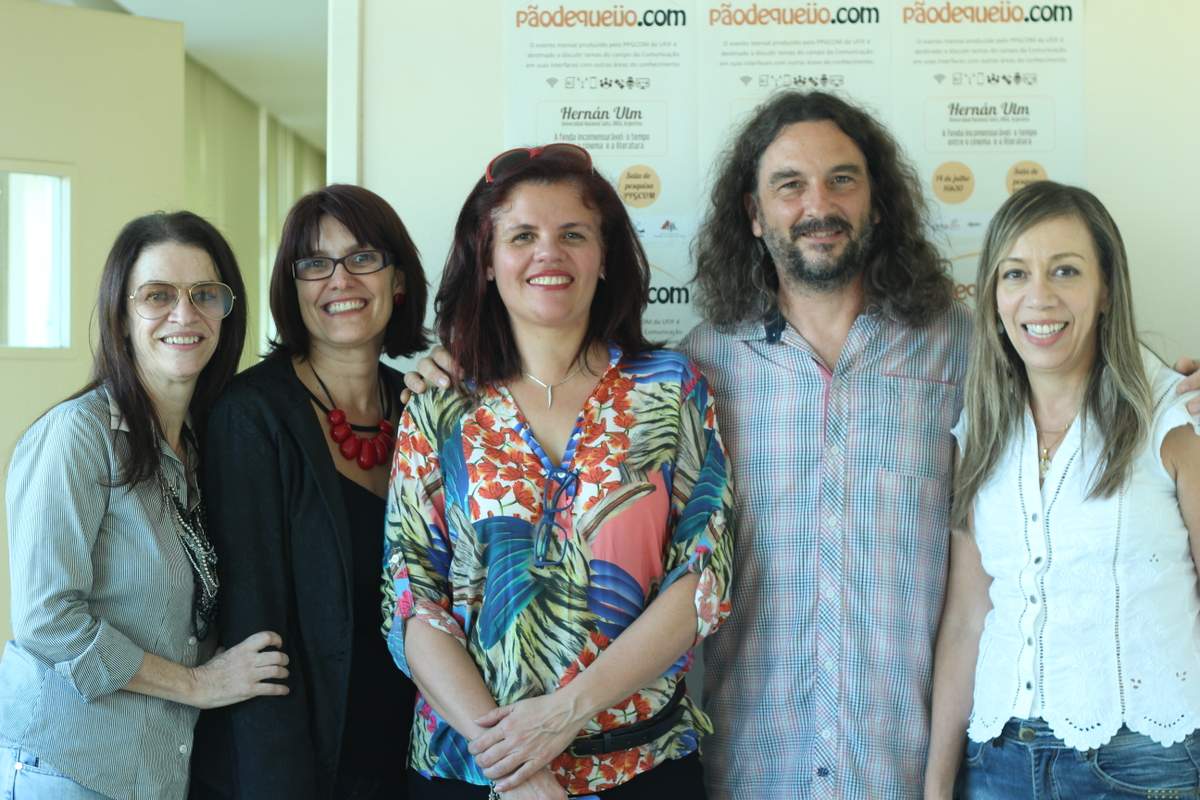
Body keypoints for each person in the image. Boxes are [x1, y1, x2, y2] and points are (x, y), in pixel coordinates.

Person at [406, 92, 1200, 800]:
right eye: (789, 185)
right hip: (751, 766)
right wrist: (452, 366)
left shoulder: (964, 351)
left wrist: (1178, 387)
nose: (818, 204)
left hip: (912, 765)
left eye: (841, 180)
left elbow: (1077, 379)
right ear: (753, 214)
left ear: (878, 204)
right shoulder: (700, 368)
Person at [385, 143, 733, 800]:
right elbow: (411, 600)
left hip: (640, 767)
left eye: (573, 234)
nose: (549, 253)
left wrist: (562, 716)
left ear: (605, 258)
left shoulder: (672, 389)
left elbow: (702, 578)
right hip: (471, 772)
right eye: (522, 236)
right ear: (487, 262)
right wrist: (511, 762)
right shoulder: (439, 405)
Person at [924, 182, 1200, 797]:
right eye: (1015, 274)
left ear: (1107, 290)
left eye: (1066, 270)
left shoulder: (1175, 416)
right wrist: (937, 786)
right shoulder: (980, 431)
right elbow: (967, 620)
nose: (1039, 296)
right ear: (993, 297)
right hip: (996, 765)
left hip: (1142, 766)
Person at [0, 212, 288, 800]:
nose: (185, 314)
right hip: (66, 769)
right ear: (121, 315)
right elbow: (47, 619)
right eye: (158, 295)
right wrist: (199, 684)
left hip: (153, 777)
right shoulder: (79, 435)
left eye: (204, 294)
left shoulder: (200, 448)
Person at [188, 185, 429, 800]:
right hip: (304, 766)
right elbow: (254, 636)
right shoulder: (251, 416)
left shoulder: (425, 407)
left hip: (417, 757)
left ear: (398, 278)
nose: (340, 280)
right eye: (315, 263)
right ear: (293, 289)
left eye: (363, 258)